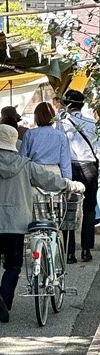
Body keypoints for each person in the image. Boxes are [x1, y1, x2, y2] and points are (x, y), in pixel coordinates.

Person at [0, 124, 84, 322]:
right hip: (15, 222)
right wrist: (71, 184)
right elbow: (49, 180)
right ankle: (3, 297)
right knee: (14, 265)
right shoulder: (25, 164)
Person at [57, 89, 99, 263]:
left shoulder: (61, 123)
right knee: (89, 209)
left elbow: (60, 148)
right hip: (90, 167)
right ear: (82, 105)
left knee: (69, 209)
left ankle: (70, 252)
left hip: (70, 168)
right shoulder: (93, 123)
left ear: (67, 105)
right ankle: (87, 249)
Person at [18, 102, 72, 179]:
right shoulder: (61, 136)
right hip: (54, 173)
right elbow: (65, 162)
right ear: (53, 116)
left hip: (35, 172)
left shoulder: (30, 134)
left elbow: (22, 157)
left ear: (36, 117)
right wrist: (68, 181)